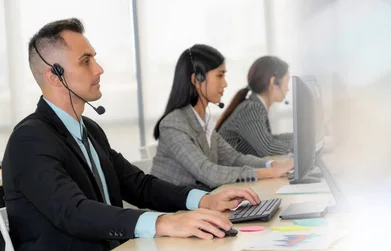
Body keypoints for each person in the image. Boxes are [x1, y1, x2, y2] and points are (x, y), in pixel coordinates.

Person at [1, 18, 261, 251]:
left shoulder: (89, 130)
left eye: (94, 58)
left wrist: (205, 200)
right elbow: (73, 211)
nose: (99, 69)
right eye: (86, 61)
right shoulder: (30, 140)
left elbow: (138, 185)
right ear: (55, 76)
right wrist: (162, 222)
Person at [151, 45, 293, 191]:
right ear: (197, 79)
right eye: (220, 75)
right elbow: (208, 172)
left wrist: (271, 165)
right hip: (172, 210)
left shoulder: (203, 121)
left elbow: (234, 159)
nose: (225, 83)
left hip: (201, 203)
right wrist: (270, 173)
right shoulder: (173, 124)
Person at [215, 56, 293, 157]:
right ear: (273, 82)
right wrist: (299, 146)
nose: (287, 88)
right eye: (286, 82)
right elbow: (267, 148)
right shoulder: (252, 108)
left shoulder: (254, 105)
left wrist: (299, 138)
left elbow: (270, 140)